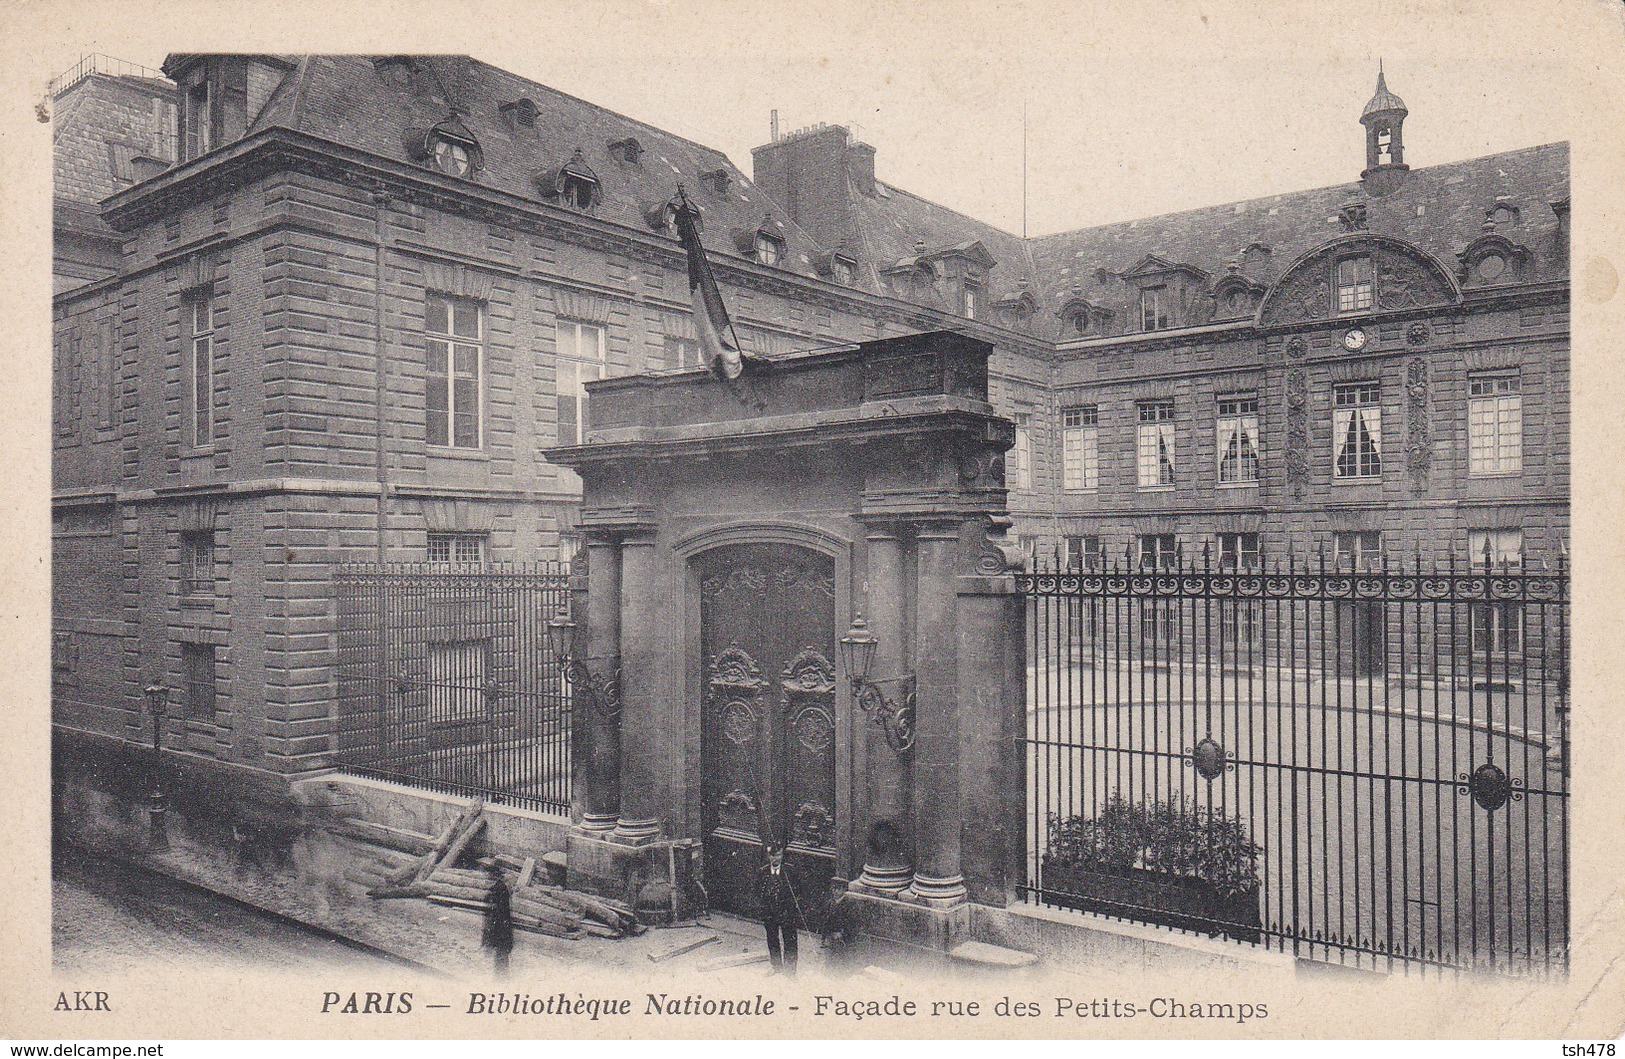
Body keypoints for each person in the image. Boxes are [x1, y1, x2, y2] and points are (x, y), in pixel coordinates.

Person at [756, 844, 800, 975]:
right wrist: (763, 908)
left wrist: (792, 909)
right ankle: (776, 967)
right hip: (769, 914)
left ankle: (790, 971)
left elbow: (799, 892)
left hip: (786, 913)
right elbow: (758, 892)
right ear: (768, 856)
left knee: (790, 941)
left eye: (779, 855)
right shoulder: (762, 872)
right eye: (773, 855)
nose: (776, 859)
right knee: (772, 939)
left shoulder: (790, 872)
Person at [479, 858, 514, 978]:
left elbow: (495, 914)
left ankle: (501, 983)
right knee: (501, 959)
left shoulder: (497, 889)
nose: (488, 876)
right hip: (503, 928)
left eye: (489, 873)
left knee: (501, 959)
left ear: (493, 874)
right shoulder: (500, 887)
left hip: (500, 928)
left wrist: (488, 936)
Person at [820, 877, 860, 974]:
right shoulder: (829, 903)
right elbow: (825, 921)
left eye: (838, 889)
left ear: (843, 890)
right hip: (830, 938)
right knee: (829, 962)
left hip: (843, 940)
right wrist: (824, 936)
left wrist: (842, 934)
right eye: (833, 888)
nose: (835, 891)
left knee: (841, 963)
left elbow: (852, 923)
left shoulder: (849, 905)